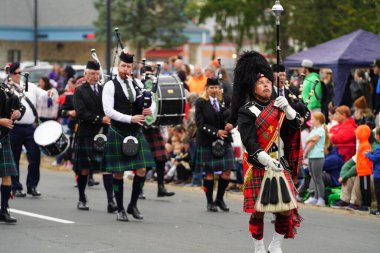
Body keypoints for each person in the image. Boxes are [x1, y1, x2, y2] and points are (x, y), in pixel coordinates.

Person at [235, 51, 302, 253]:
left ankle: (276, 245)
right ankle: (258, 247)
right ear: (253, 87)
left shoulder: (280, 105)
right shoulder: (246, 111)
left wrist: (289, 110)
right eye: (261, 82)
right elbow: (249, 142)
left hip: (280, 163)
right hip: (259, 164)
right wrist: (265, 160)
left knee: (286, 208)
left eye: (268, 81)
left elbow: (296, 127)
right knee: (258, 211)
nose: (266, 85)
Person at [102, 51, 156, 222]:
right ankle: (120, 209)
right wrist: (130, 118)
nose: (125, 69)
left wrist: (150, 110)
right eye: (123, 66)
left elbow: (151, 100)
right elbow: (108, 111)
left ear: (132, 68)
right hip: (118, 130)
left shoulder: (138, 84)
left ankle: (133, 205)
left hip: (135, 131)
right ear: (118, 66)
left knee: (141, 169)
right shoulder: (110, 85)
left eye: (128, 66)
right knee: (118, 173)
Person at [72, 60, 116, 212]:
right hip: (86, 133)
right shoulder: (79, 91)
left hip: (104, 134)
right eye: (91, 73)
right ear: (85, 74)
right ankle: (82, 198)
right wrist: (100, 119)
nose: (94, 76)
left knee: (107, 168)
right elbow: (81, 112)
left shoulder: (105, 89)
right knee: (84, 169)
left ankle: (111, 201)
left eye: (97, 74)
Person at [8, 62, 52, 197]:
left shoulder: (31, 86)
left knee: (34, 157)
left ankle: (32, 186)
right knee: (14, 158)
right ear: (11, 74)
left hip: (30, 127)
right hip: (14, 128)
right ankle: (15, 186)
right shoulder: (7, 88)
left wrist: (49, 93)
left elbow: (43, 94)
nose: (18, 75)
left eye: (20, 72)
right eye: (16, 72)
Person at [194, 77, 235, 212]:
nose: (214, 90)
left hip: (224, 140)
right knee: (209, 173)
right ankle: (210, 202)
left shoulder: (225, 101)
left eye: (216, 87)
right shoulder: (201, 102)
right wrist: (216, 132)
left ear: (219, 88)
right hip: (207, 140)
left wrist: (231, 124)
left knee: (227, 172)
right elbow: (200, 124)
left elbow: (232, 117)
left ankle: (220, 199)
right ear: (207, 88)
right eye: (211, 87)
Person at [141, 65, 175, 198]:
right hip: (141, 128)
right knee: (144, 162)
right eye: (146, 74)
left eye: (150, 74)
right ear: (141, 74)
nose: (148, 76)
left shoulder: (156, 89)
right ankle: (140, 188)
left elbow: (161, 111)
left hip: (154, 129)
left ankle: (161, 188)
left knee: (161, 159)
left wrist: (165, 132)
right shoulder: (137, 87)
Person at [0, 79, 24, 223]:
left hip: (3, 137)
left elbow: (21, 107)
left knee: (7, 175)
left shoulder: (5, 90)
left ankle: (4, 210)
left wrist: (18, 113)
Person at [303, 112, 330, 207]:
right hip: (312, 156)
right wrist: (309, 141)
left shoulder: (321, 130)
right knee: (313, 177)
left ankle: (321, 198)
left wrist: (305, 152)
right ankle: (315, 197)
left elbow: (312, 142)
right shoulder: (314, 130)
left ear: (318, 120)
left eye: (313, 119)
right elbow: (309, 140)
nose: (311, 121)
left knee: (318, 178)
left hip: (317, 156)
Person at [355, 124, 373, 212]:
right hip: (361, 170)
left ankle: (367, 204)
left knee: (366, 188)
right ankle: (363, 203)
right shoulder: (362, 144)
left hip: (365, 170)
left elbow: (368, 159)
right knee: (362, 187)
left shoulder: (366, 144)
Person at [365, 126, 380, 215]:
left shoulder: (379, 147)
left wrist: (367, 154)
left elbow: (375, 158)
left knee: (378, 192)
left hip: (378, 174)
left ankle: (379, 209)